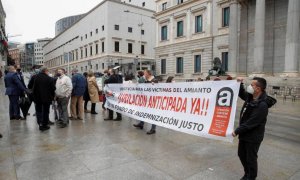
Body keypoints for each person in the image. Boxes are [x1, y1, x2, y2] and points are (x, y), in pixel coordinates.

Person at [232, 77, 276, 180]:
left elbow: (251, 122)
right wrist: (240, 83)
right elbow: (241, 93)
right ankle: (247, 174)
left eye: (252, 85)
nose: (250, 86)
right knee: (241, 154)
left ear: (258, 89)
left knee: (251, 159)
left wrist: (237, 131)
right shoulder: (251, 97)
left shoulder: (262, 105)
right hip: (245, 135)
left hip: (253, 137)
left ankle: (251, 177)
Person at [133, 70, 157, 135]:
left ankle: (153, 128)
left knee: (152, 114)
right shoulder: (146, 80)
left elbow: (155, 89)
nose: (144, 75)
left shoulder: (154, 80)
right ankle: (141, 123)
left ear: (148, 74)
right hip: (145, 99)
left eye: (145, 73)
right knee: (143, 111)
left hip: (152, 100)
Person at [32, 67, 56, 131]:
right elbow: (53, 89)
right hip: (47, 98)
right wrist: (52, 96)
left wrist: (34, 96)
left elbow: (32, 87)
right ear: (46, 71)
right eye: (48, 71)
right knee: (46, 111)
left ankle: (40, 124)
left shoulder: (36, 77)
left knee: (39, 111)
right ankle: (45, 124)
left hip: (37, 98)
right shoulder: (50, 79)